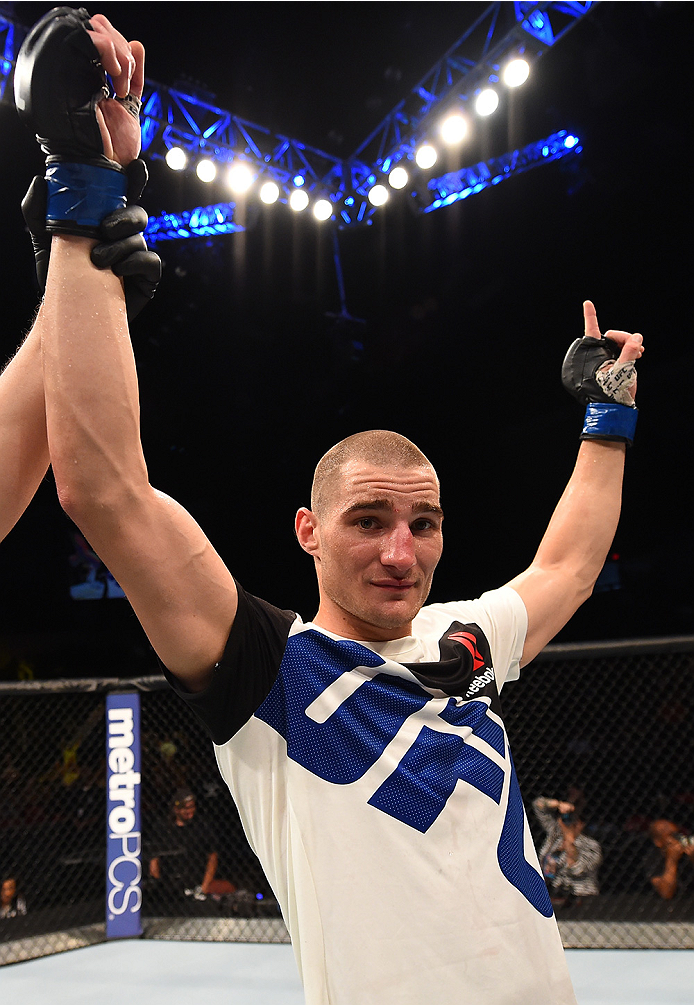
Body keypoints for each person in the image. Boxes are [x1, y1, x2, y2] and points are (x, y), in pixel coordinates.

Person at [11, 10, 646, 1005]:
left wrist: (606, 421)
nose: (401, 551)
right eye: (367, 521)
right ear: (307, 532)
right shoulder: (271, 671)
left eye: (422, 525)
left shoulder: (467, 642)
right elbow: (105, 493)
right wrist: (84, 193)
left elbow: (564, 564)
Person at [148, 787, 229, 905]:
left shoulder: (202, 827)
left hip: (197, 883)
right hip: (168, 885)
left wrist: (204, 886)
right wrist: (158, 882)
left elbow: (212, 857)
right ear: (176, 809)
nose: (190, 811)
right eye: (185, 808)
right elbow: (154, 859)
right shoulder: (163, 828)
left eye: (192, 807)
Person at [533, 796, 603, 906]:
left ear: (581, 824)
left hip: (581, 899)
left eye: (573, 821)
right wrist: (559, 804)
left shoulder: (590, 846)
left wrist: (569, 841)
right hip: (553, 895)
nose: (568, 824)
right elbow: (538, 804)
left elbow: (576, 869)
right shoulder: (555, 834)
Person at [647, 819, 694, 900]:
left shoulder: (686, 851)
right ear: (658, 842)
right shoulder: (652, 858)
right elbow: (666, 893)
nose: (677, 839)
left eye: (678, 834)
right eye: (671, 835)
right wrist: (672, 860)